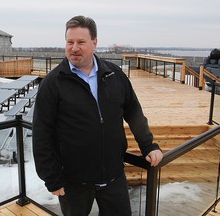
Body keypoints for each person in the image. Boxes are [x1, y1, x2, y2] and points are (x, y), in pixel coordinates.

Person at [32, 15, 163, 216]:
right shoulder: (53, 83)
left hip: (114, 176)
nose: (74, 48)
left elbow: (133, 111)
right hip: (73, 182)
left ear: (94, 43)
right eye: (70, 42)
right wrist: (52, 178)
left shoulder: (114, 74)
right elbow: (42, 134)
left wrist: (148, 145)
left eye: (81, 42)